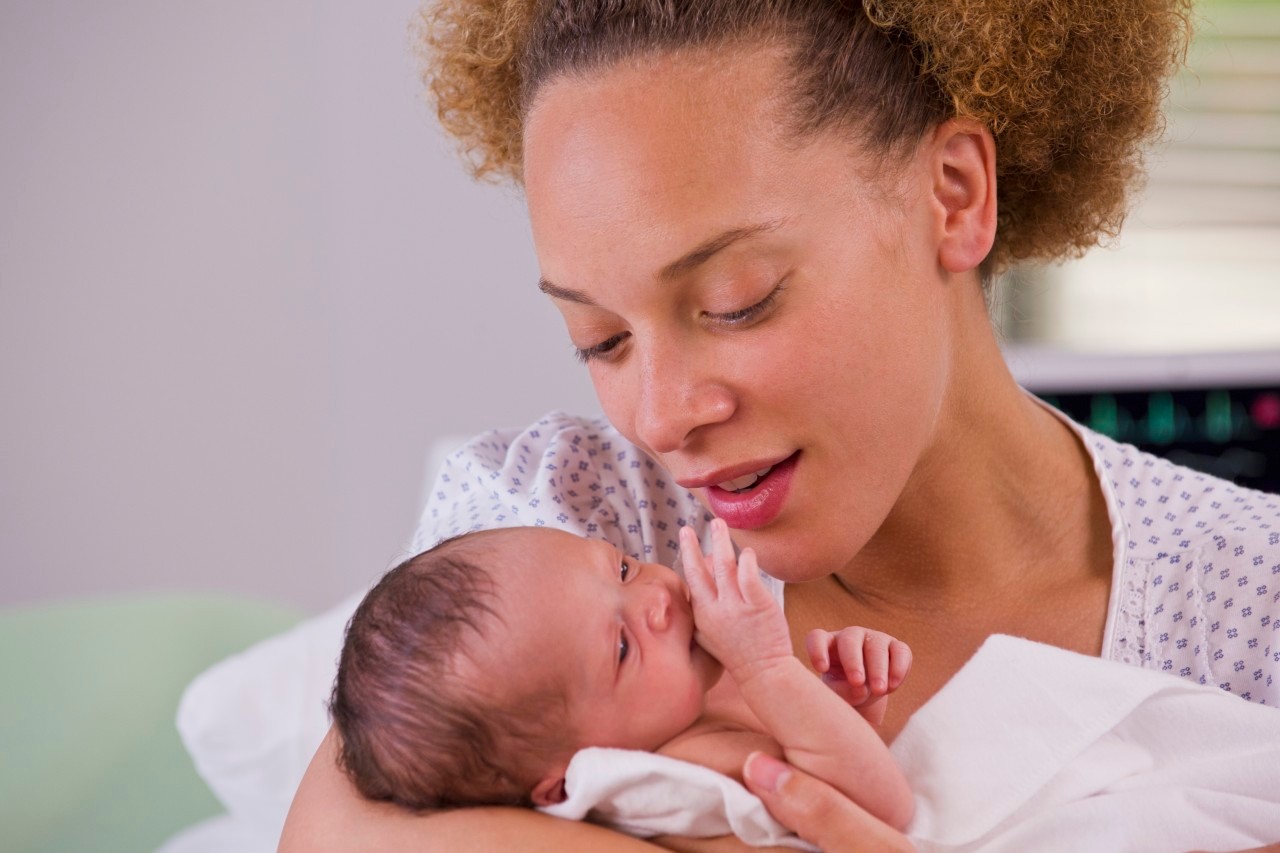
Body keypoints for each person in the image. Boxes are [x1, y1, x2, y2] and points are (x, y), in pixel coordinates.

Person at [281, 0, 1280, 850]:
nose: (664, 418)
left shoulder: (1246, 606)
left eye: (735, 299)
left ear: (952, 196)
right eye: (600, 340)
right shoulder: (554, 522)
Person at [329, 520, 914, 840]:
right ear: (563, 783)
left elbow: (838, 761)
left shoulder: (692, 706)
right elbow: (880, 809)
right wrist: (770, 670)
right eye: (621, 646)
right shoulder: (679, 772)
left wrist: (842, 701)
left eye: (623, 568)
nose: (657, 597)